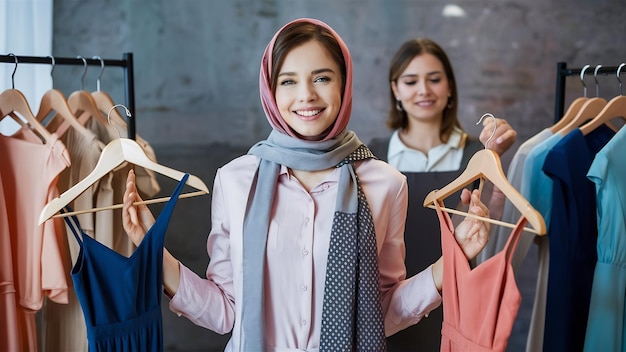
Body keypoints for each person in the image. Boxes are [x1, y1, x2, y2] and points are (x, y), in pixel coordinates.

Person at [123, 18, 491, 351]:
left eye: (322, 78)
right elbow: (226, 311)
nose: (306, 96)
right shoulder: (236, 179)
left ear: (344, 84)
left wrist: (449, 264)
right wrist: (156, 254)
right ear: (270, 90)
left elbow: (381, 311)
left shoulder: (385, 183)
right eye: (288, 81)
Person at [368, 38, 518, 351]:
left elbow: (494, 223)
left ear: (449, 87)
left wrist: (495, 157)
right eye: (411, 81)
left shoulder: (478, 152)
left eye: (434, 79)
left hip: (458, 309)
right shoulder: (371, 157)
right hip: (388, 312)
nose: (423, 90)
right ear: (395, 90)